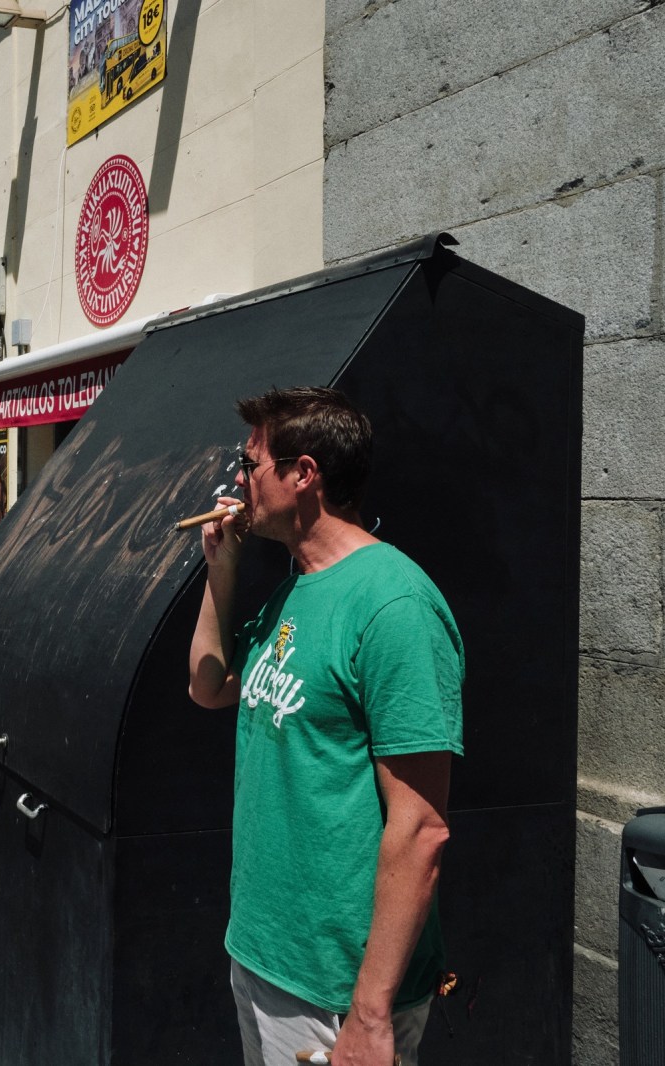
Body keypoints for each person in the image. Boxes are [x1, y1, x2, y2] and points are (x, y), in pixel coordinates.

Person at [187, 387, 464, 1066]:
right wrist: (221, 572)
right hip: (264, 954)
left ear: (303, 475)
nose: (238, 483)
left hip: (339, 992)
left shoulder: (394, 604)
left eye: (250, 466)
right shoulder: (294, 587)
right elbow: (209, 685)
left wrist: (371, 1016)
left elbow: (421, 828)